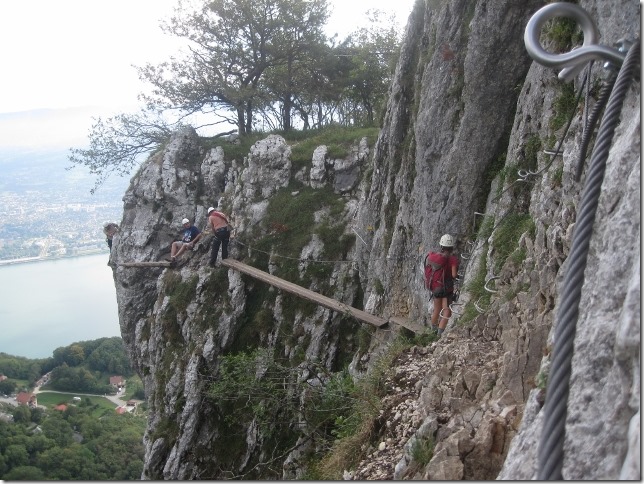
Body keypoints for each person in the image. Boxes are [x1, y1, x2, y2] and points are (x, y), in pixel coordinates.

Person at [425, 234, 459, 337]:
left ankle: (432, 331)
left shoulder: (436, 257)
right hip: (447, 289)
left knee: (436, 310)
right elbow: (453, 275)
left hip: (436, 288)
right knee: (446, 311)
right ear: (452, 247)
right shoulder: (453, 259)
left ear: (441, 246)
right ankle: (439, 335)